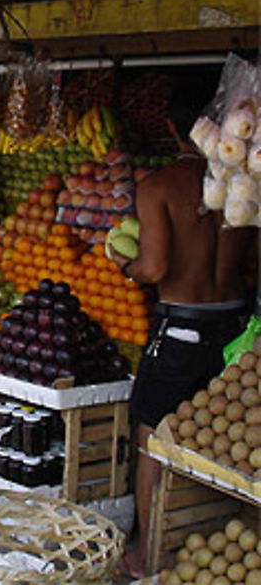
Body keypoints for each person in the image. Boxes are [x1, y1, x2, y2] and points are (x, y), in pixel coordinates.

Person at [110, 97, 255, 578]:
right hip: (234, 326)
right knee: (218, 433)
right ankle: (218, 543)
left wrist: (123, 266)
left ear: (173, 126)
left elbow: (154, 267)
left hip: (182, 327)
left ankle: (149, 554)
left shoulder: (160, 186)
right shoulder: (241, 183)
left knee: (153, 432)